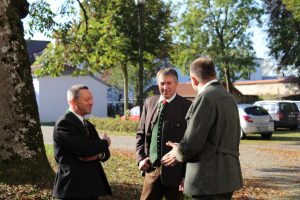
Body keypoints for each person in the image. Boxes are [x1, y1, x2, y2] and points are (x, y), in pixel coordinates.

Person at [161, 56, 243, 200]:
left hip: (208, 180)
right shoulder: (228, 97)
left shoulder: (205, 97)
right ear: (214, 74)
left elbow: (192, 142)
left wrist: (177, 152)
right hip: (228, 177)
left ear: (193, 79)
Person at [136, 67, 192, 200]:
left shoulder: (187, 106)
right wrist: (140, 159)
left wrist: (186, 176)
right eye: (162, 83)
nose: (165, 87)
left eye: (169, 83)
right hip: (151, 172)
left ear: (176, 84)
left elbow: (191, 142)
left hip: (176, 175)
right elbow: (140, 134)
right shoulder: (149, 103)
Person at [52, 84, 112, 199]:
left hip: (91, 188)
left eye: (91, 99)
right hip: (73, 189)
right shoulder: (64, 123)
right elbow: (85, 149)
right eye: (87, 99)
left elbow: (105, 154)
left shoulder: (87, 124)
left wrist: (98, 153)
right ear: (74, 102)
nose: (91, 102)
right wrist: (105, 143)